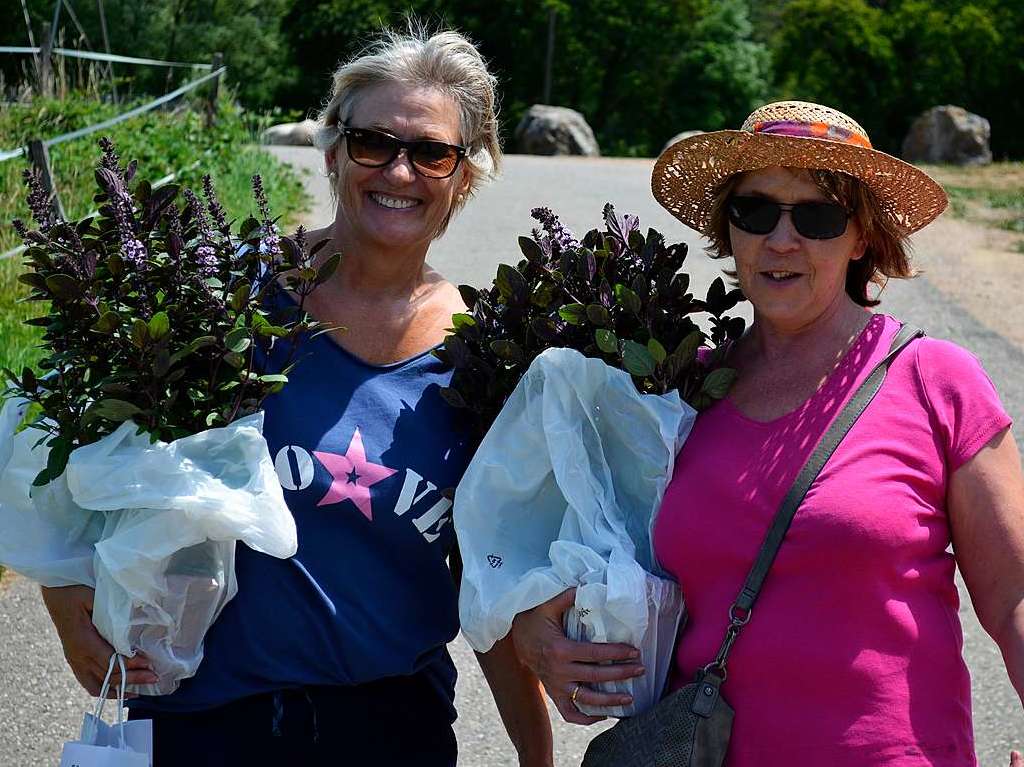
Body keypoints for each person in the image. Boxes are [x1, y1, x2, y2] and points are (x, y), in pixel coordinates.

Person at [40, 27, 553, 766]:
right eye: (374, 141)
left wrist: (537, 755)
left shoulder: (484, 357)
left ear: (463, 177)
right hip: (205, 720)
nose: (399, 170)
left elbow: (487, 577)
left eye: (432, 152)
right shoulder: (217, 300)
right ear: (333, 151)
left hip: (391, 726)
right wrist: (61, 594)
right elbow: (64, 442)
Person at [511, 100, 1024, 765]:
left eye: (816, 215)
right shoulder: (680, 390)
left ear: (861, 236)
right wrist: (533, 631)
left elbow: (1014, 595)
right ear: (729, 228)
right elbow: (578, 551)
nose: (782, 240)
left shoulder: (934, 379)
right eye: (755, 211)